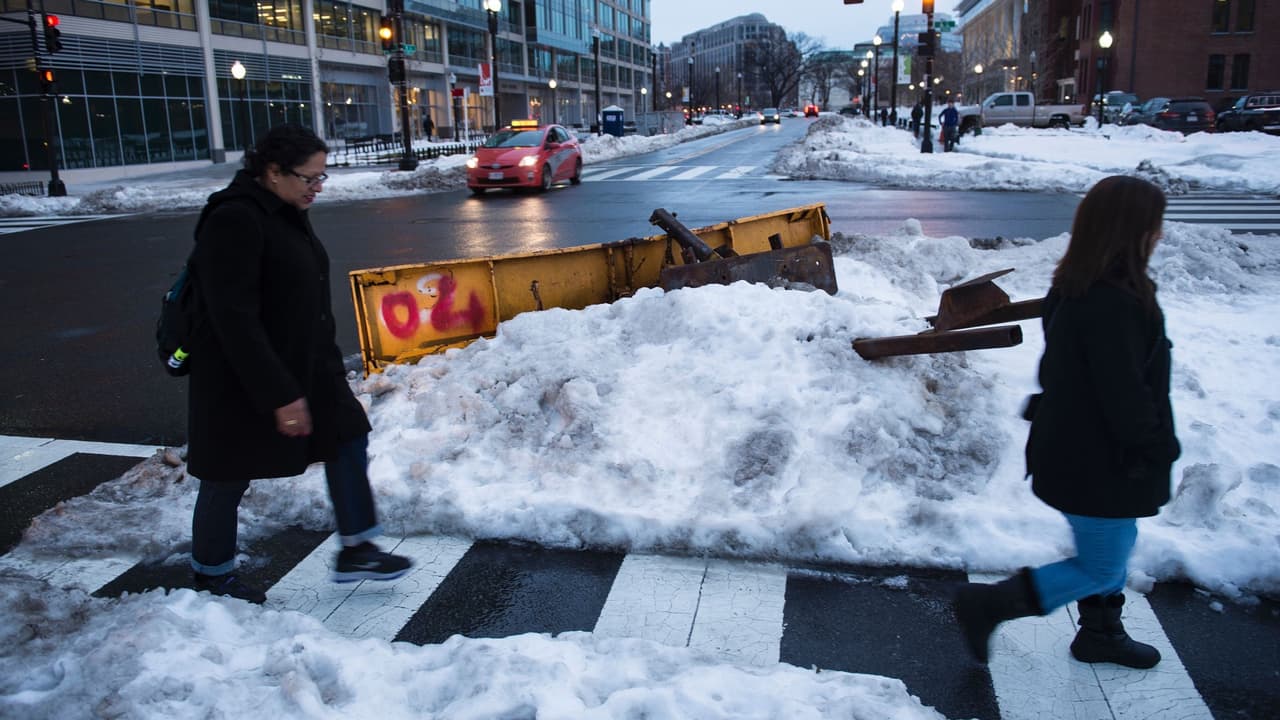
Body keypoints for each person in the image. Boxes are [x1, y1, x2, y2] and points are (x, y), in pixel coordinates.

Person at [953, 175, 1180, 670]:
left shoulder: (1081, 286)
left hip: (1081, 451)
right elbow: (1122, 396)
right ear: (1132, 231)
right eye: (1153, 225)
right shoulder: (1111, 302)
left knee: (1114, 547)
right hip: (1101, 460)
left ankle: (1101, 632)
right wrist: (1158, 446)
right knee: (1100, 563)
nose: (1160, 234)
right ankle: (989, 605)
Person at [186, 123, 411, 604]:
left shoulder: (285, 209)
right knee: (226, 474)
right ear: (272, 172)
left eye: (322, 177)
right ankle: (212, 575)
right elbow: (233, 319)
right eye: (309, 178)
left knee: (348, 435)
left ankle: (358, 547)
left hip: (307, 364)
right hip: (241, 375)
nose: (318, 187)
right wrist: (279, 395)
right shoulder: (235, 219)